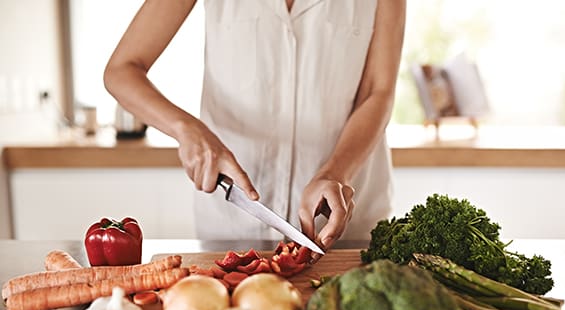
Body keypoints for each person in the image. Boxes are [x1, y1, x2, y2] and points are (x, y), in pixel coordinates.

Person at [104, 0, 406, 259]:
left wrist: (336, 172)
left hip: (347, 224)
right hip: (231, 223)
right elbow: (122, 69)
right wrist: (186, 130)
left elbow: (376, 92)